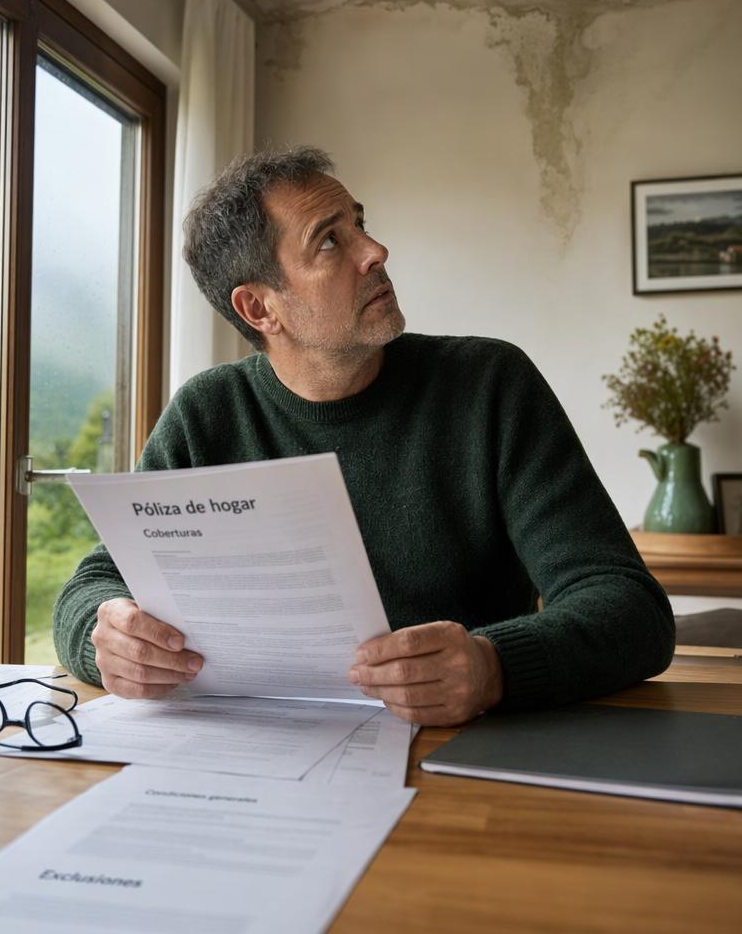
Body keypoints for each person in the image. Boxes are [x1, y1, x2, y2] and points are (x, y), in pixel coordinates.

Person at [53, 147, 674, 726]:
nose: (376, 250)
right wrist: (105, 637)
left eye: (359, 224)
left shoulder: (491, 386)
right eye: (330, 240)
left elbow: (630, 609)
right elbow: (94, 585)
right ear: (260, 309)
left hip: (462, 757)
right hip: (255, 750)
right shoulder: (206, 413)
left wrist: (493, 666)